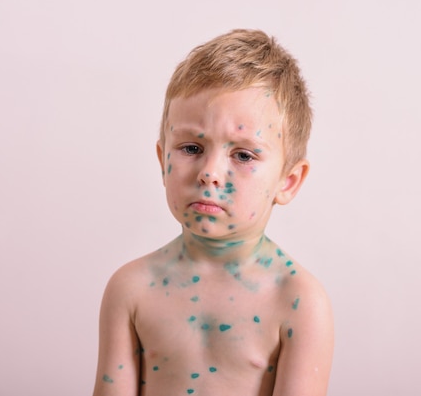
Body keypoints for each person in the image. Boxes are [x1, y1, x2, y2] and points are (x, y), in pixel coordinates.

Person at [92, 29, 334, 396]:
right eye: (191, 148)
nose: (210, 172)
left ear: (287, 181)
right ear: (162, 161)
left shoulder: (298, 302)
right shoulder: (131, 290)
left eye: (243, 155)